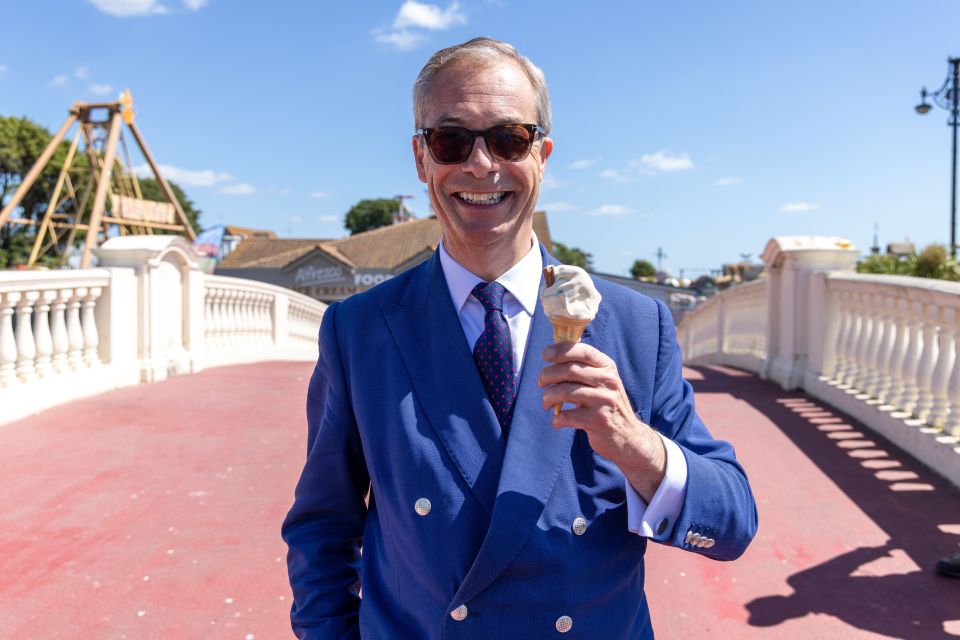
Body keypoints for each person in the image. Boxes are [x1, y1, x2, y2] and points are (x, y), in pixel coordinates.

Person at [282, 37, 758, 639]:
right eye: (451, 140)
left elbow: (733, 523)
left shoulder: (636, 326)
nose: (481, 165)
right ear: (421, 158)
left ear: (543, 154)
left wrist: (635, 443)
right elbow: (323, 526)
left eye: (509, 138)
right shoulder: (358, 331)